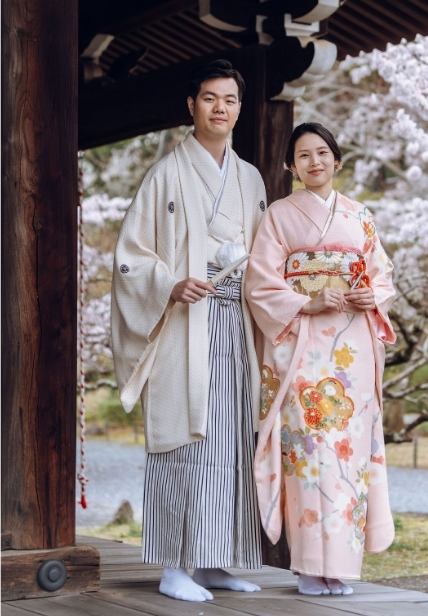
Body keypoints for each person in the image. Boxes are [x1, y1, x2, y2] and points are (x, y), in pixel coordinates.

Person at [110, 59, 268, 603]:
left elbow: (265, 258)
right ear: (191, 105)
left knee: (232, 440)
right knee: (187, 440)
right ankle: (175, 566)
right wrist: (172, 284)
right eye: (209, 98)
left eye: (229, 99)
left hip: (236, 322)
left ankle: (217, 559)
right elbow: (130, 256)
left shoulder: (250, 178)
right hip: (184, 321)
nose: (219, 107)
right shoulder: (165, 175)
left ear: (239, 109)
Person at [244, 123, 396, 596]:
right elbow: (261, 283)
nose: (314, 162)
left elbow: (383, 274)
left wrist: (374, 295)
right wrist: (307, 300)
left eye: (323, 153)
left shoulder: (360, 216)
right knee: (308, 450)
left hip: (352, 349)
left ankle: (343, 568)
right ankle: (309, 567)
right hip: (303, 346)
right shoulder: (278, 216)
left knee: (347, 455)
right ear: (291, 166)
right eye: (303, 155)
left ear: (338, 160)